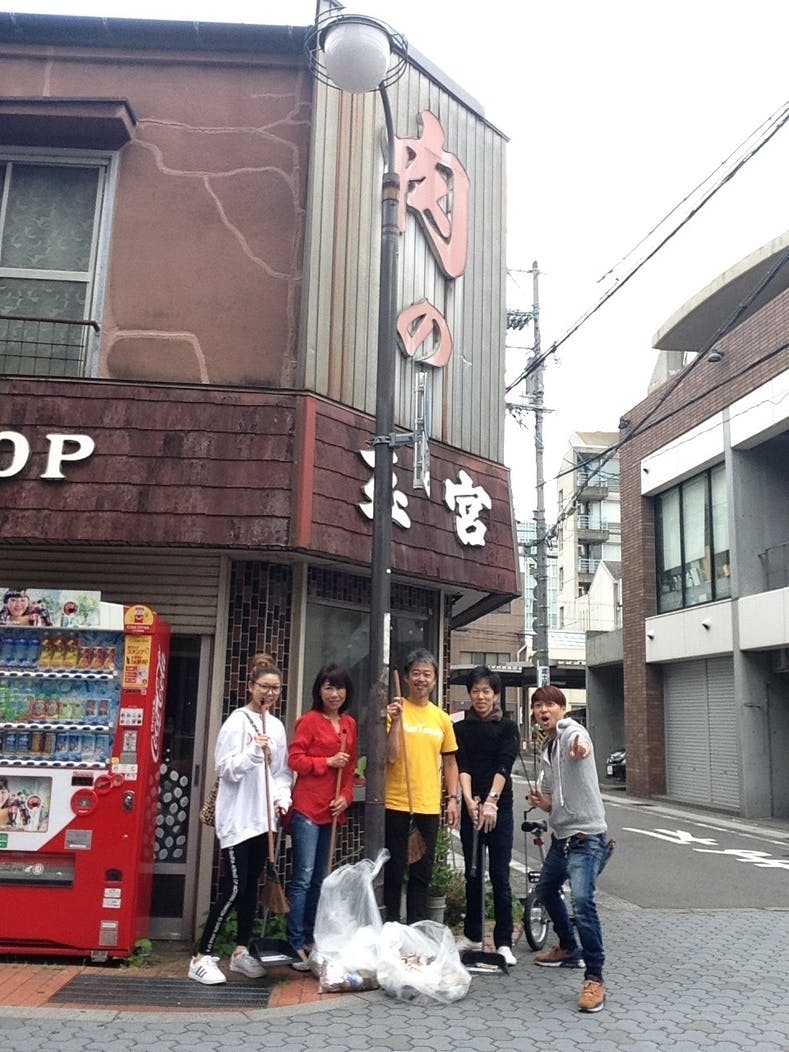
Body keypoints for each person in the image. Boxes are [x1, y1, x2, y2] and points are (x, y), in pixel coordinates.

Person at [188, 654, 292, 985]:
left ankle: (241, 951)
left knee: (250, 888)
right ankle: (201, 956)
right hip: (237, 819)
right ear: (251, 687)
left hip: (264, 820)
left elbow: (282, 773)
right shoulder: (237, 722)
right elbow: (225, 768)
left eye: (276, 688)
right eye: (264, 687)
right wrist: (252, 752)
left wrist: (282, 799)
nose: (270, 693)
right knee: (233, 886)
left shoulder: (277, 727)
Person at [527, 684, 613, 1014]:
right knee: (546, 889)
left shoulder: (569, 732)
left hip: (586, 837)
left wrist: (581, 747)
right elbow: (553, 801)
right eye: (538, 706)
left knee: (582, 901)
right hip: (562, 838)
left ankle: (595, 978)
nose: (543, 710)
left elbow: (580, 741)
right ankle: (566, 946)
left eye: (550, 705)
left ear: (562, 710)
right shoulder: (548, 749)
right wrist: (543, 803)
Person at [286, 664, 357, 970]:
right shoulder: (309, 721)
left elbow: (351, 769)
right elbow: (295, 760)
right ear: (319, 690)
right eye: (328, 687)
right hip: (307, 808)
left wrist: (346, 798)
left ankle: (313, 937)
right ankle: (295, 942)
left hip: (332, 810)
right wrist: (327, 761)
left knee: (321, 878)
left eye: (339, 688)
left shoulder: (349, 724)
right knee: (303, 877)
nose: (334, 694)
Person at [383, 648, 460, 924]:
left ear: (435, 680)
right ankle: (392, 926)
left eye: (427, 674)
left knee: (421, 873)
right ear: (406, 678)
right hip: (396, 802)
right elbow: (390, 756)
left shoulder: (441, 718)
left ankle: (416, 928)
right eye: (416, 673)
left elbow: (450, 762)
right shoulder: (394, 712)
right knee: (394, 870)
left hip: (428, 806)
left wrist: (453, 799)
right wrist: (395, 722)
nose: (421, 679)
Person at [454, 665, 520, 966]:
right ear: (469, 694)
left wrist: (491, 802)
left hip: (499, 808)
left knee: (500, 875)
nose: (480, 697)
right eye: (475, 691)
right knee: (473, 872)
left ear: (496, 695)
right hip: (473, 807)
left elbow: (504, 765)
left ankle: (503, 941)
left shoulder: (507, 727)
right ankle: (473, 935)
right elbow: (463, 766)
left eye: (486, 691)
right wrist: (468, 801)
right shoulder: (461, 729)